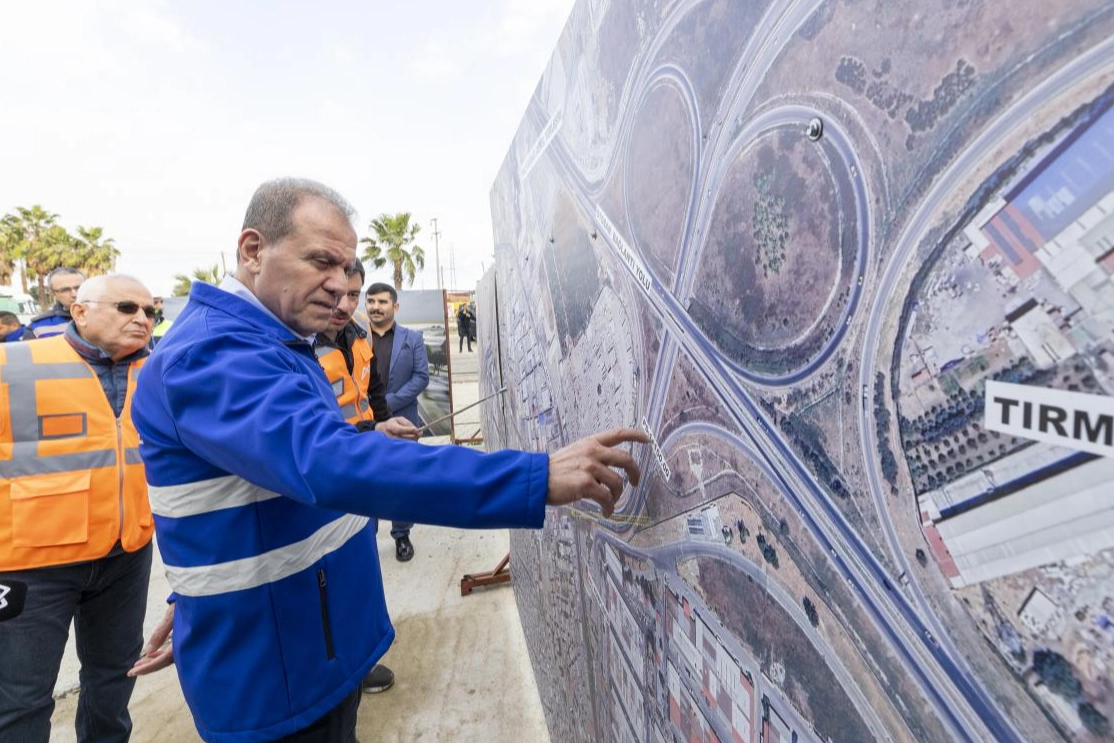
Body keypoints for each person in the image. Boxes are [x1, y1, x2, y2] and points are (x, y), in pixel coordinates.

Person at [128, 178, 647, 743]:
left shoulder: (272, 339)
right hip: (277, 675)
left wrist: (200, 590)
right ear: (253, 250)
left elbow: (256, 479)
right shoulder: (212, 353)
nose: (339, 285)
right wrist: (534, 477)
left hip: (305, 646)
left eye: (346, 267)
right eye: (321, 261)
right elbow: (326, 461)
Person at [0, 274, 157, 743]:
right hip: (31, 565)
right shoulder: (14, 364)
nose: (142, 319)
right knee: (21, 701)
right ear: (80, 311)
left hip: (125, 554)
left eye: (150, 311)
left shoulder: (159, 371)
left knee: (115, 679)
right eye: (127, 307)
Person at [315, 259, 418, 694]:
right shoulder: (298, 344)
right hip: (327, 474)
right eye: (336, 294)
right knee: (329, 576)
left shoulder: (358, 336)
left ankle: (361, 660)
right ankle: (337, 672)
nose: (345, 304)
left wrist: (381, 429)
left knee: (361, 566)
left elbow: (373, 392)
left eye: (353, 294)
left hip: (363, 461)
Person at [366, 281, 429, 562]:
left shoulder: (412, 339)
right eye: (371, 301)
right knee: (368, 478)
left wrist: (387, 403)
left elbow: (421, 377)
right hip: (365, 422)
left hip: (402, 419)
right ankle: (367, 535)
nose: (376, 307)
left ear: (395, 306)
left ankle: (401, 534)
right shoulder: (356, 338)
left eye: (382, 302)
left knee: (401, 478)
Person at [28, 266, 86, 338]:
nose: (74, 294)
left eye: (78, 288)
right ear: (53, 293)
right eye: (65, 290)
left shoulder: (100, 318)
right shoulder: (38, 327)